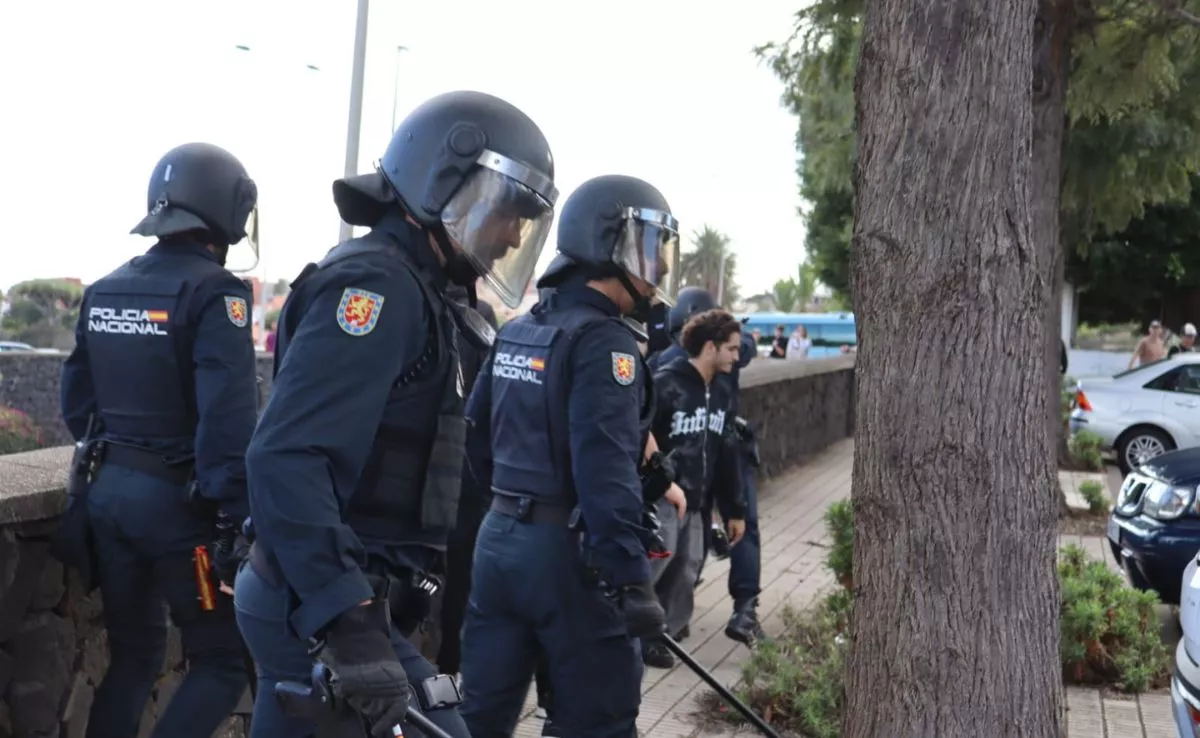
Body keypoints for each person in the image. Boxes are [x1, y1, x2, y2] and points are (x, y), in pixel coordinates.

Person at [233, 90, 558, 738]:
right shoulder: (374, 287)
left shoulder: (431, 294)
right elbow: (287, 456)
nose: (514, 234)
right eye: (508, 211)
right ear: (445, 182)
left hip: (336, 594)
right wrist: (349, 622)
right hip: (319, 601)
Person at [458, 174, 680, 737]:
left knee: (480, 719)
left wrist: (515, 508)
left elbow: (475, 437)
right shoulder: (604, 342)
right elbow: (605, 474)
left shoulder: (520, 330)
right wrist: (633, 582)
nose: (658, 270)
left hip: (500, 543)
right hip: (568, 558)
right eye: (650, 248)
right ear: (611, 246)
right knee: (597, 722)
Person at [59, 142, 260, 738]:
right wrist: (235, 519)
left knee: (135, 656)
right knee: (223, 663)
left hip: (108, 500)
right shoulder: (216, 292)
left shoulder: (105, 290)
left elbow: (77, 402)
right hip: (180, 516)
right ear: (227, 211)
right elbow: (228, 421)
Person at [642, 309, 746, 669]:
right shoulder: (665, 382)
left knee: (687, 570)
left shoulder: (721, 391)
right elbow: (640, 433)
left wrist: (734, 510)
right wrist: (657, 482)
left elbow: (727, 452)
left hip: (699, 502)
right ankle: (634, 635)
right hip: (664, 497)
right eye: (731, 349)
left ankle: (663, 636)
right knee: (655, 566)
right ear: (710, 346)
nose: (737, 356)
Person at [435, 287, 499, 675]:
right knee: (459, 576)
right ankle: (449, 670)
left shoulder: (415, 298)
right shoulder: (480, 312)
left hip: (439, 465)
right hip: (462, 465)